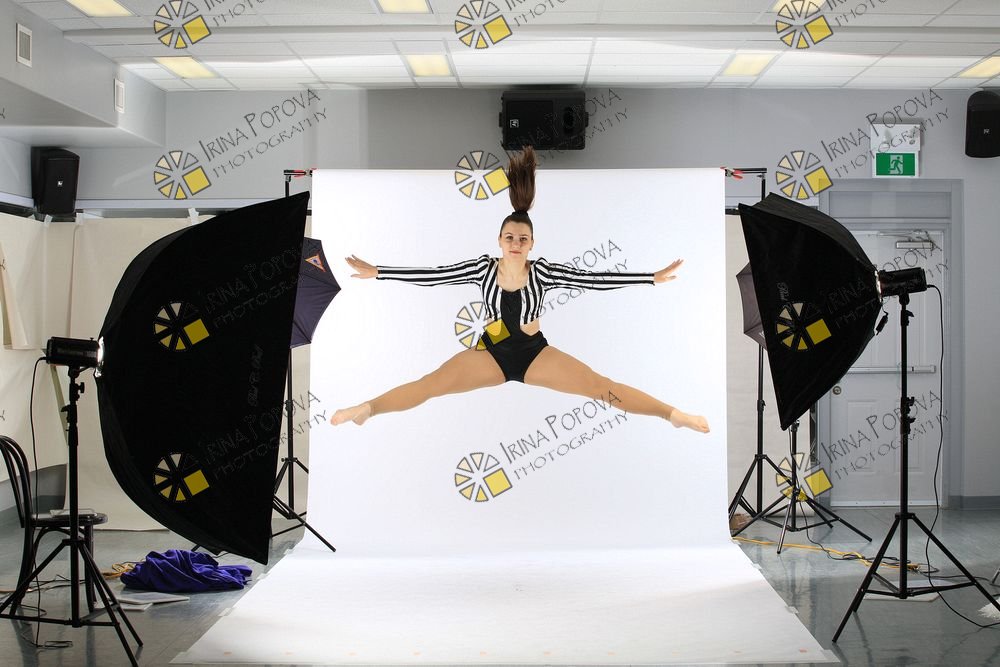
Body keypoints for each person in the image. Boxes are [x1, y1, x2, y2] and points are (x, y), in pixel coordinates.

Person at [330, 146, 710, 434]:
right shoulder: (482, 268)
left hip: (533, 352)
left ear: (532, 244)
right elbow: (434, 276)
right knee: (431, 384)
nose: (515, 243)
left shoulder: (542, 272)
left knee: (600, 386)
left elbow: (593, 280)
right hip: (490, 351)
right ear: (499, 240)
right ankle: (367, 409)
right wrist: (379, 272)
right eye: (509, 237)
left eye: (522, 239)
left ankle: (673, 415)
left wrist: (650, 277)